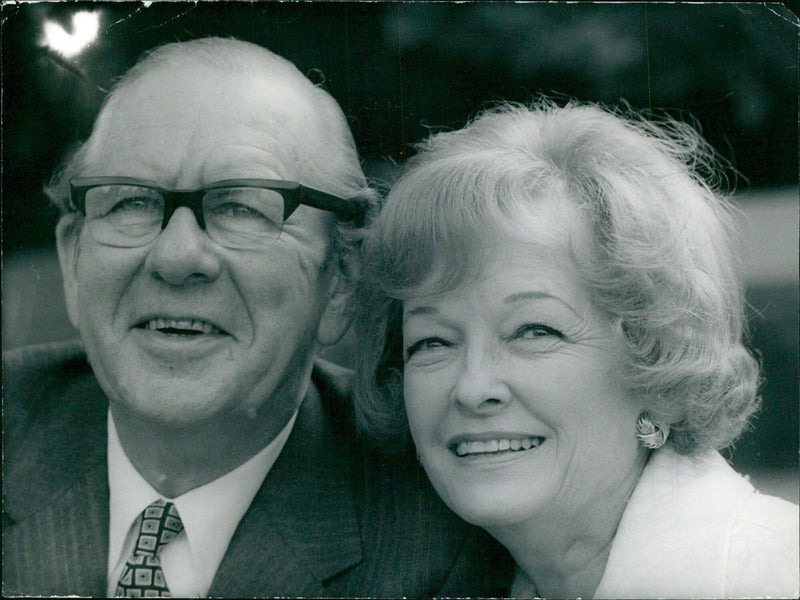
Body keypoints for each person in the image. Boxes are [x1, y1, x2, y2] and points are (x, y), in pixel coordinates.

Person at [2, 37, 511, 598]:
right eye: (131, 202)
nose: (176, 258)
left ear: (342, 277)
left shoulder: (444, 542)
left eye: (241, 207)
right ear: (72, 260)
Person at [353, 100, 799, 599]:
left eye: (534, 331)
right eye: (432, 341)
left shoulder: (771, 576)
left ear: (658, 362)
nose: (473, 388)